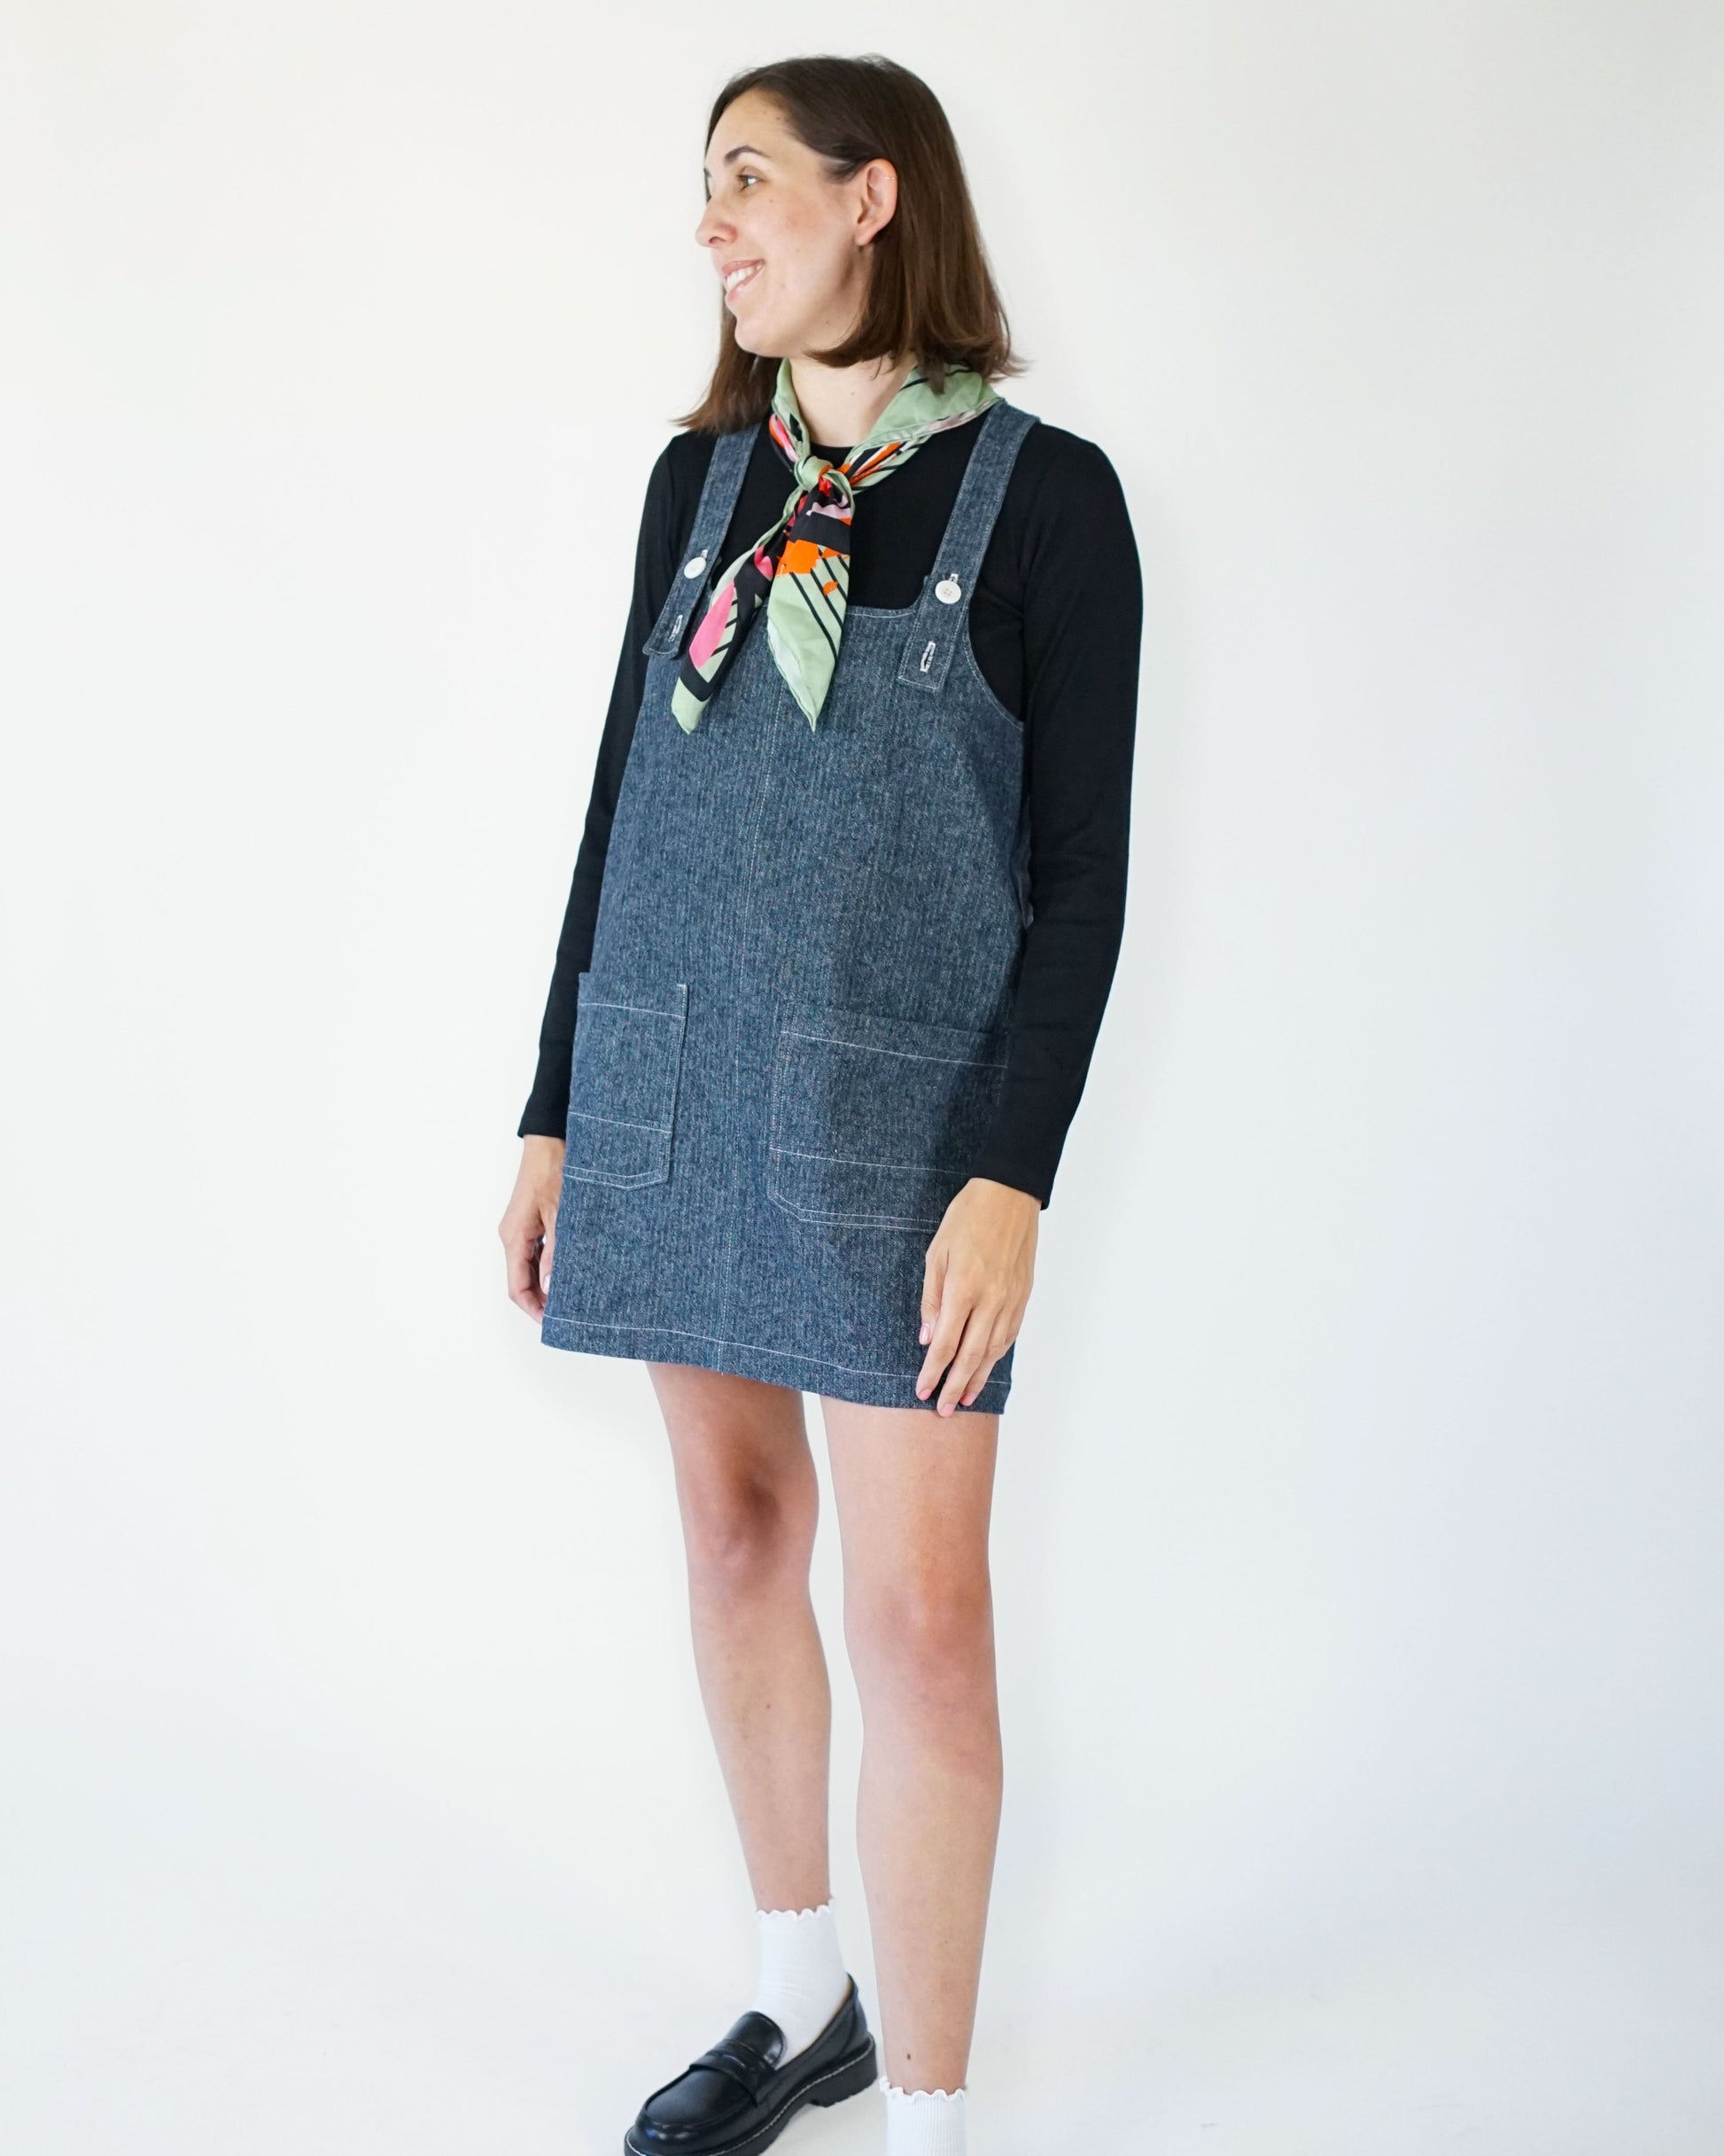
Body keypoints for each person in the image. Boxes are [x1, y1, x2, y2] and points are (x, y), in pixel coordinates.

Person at [497, 52, 1141, 2156]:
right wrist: (553, 1107)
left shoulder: (1047, 501)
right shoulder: (700, 489)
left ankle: (935, 2122)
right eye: (704, 187)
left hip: (902, 1132)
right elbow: (617, 813)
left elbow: (1080, 878)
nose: (712, 223)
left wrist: (1010, 1173)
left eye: (747, 180)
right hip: (673, 1085)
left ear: (876, 201)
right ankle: (802, 1992)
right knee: (732, 1526)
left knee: (920, 1617)